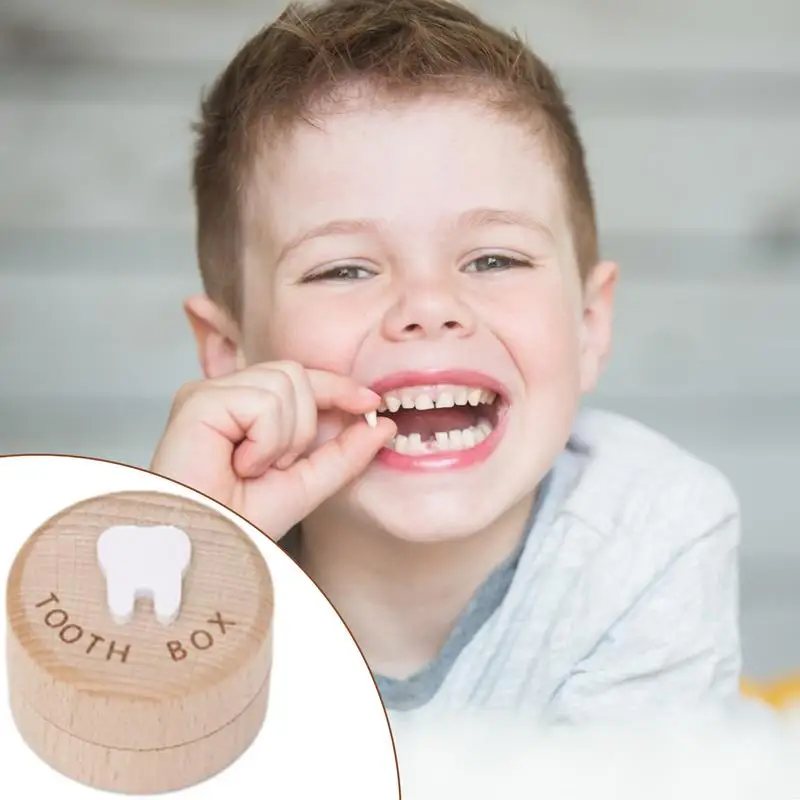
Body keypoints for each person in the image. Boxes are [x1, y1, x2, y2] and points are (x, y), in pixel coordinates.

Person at [150, 0, 742, 725]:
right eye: (343, 270)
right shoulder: (179, 558)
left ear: (589, 326)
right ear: (230, 354)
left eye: (494, 258)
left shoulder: (648, 528)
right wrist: (183, 559)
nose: (428, 306)